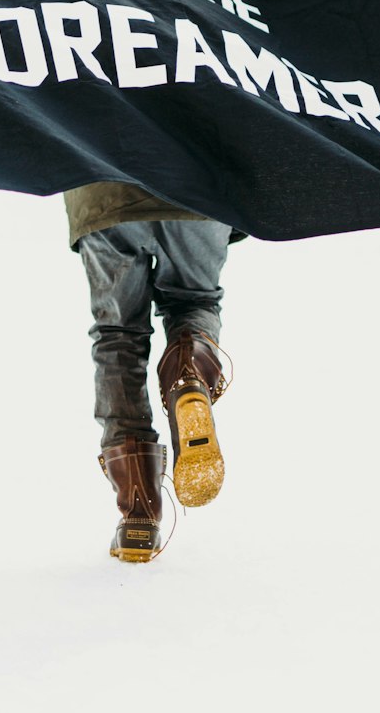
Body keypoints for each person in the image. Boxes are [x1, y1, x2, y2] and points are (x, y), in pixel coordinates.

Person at [65, 180, 233, 563]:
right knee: (192, 302)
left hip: (104, 189)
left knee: (117, 333)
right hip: (198, 187)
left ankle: (138, 514)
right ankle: (188, 374)